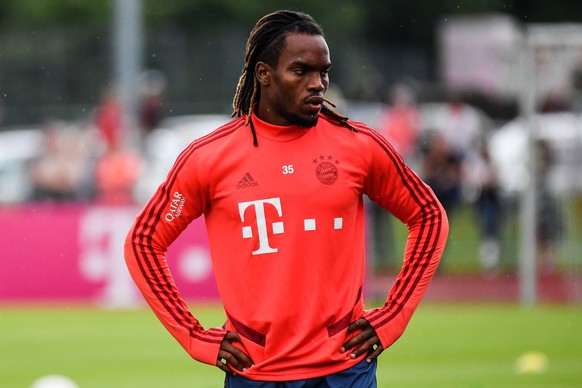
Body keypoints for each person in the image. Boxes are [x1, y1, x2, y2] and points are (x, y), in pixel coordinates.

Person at [124, 10, 448, 387]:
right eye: (301, 71)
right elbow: (143, 242)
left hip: (346, 370)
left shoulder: (358, 146)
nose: (318, 84)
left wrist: (393, 316)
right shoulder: (209, 157)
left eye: (323, 71)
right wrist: (194, 336)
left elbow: (428, 216)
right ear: (264, 74)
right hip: (255, 373)